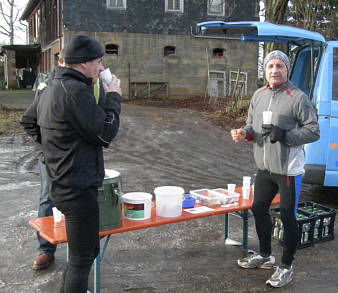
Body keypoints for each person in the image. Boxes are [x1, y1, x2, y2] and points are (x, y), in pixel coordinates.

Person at [28, 34, 121, 293]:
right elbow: (106, 132)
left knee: (84, 252)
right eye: (98, 61)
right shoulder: (75, 91)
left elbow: (30, 121)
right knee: (81, 259)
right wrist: (114, 96)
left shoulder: (50, 86)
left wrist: (53, 150)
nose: (101, 67)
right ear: (82, 63)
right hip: (77, 186)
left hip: (63, 181)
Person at [231, 50, 319, 288]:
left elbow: (313, 131)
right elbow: (252, 125)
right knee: (258, 208)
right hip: (265, 167)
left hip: (288, 169)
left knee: (288, 217)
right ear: (265, 70)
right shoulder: (258, 94)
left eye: (279, 66)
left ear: (286, 69)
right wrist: (244, 133)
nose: (274, 71)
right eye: (270, 66)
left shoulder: (298, 97)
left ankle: (286, 267)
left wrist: (286, 135)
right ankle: (265, 255)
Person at [21, 49, 107, 271]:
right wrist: (48, 148)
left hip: (81, 156)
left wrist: (96, 141)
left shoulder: (97, 84)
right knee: (47, 198)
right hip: (53, 156)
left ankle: (83, 245)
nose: (100, 68)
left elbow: (100, 121)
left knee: (84, 202)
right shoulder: (50, 85)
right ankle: (45, 248)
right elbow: (30, 120)